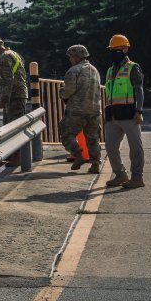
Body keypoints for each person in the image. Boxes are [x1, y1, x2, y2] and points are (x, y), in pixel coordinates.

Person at [103, 34, 145, 188]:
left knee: (135, 148)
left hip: (130, 114)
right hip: (113, 115)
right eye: (112, 49)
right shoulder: (109, 70)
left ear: (126, 49)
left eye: (118, 49)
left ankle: (137, 178)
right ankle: (120, 174)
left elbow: (139, 90)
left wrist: (139, 111)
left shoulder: (133, 67)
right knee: (110, 147)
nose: (114, 52)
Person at [0, 37, 28, 166]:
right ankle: (15, 156)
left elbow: (7, 80)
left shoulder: (4, 57)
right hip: (18, 94)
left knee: (13, 127)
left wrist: (4, 99)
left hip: (14, 96)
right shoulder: (14, 54)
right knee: (12, 126)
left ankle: (17, 158)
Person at [60, 45, 103, 173]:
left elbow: (68, 91)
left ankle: (78, 155)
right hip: (95, 110)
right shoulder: (95, 70)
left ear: (76, 57)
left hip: (77, 110)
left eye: (71, 57)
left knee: (66, 133)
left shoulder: (73, 70)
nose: (70, 60)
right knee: (93, 138)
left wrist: (61, 91)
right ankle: (95, 165)